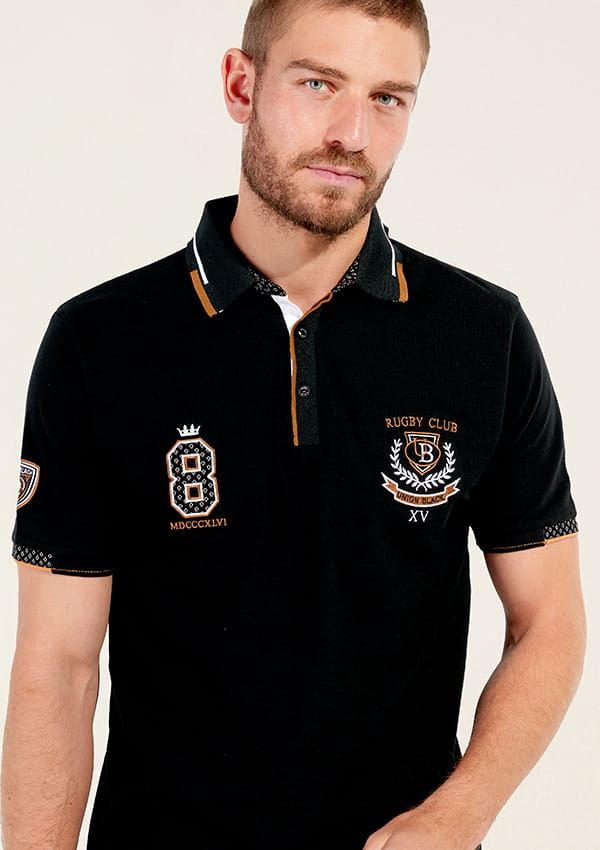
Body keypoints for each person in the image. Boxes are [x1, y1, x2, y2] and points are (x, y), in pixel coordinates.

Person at [1, 1, 586, 848]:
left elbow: (549, 622)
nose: (352, 133)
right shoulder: (102, 341)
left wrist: (459, 813)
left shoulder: (482, 335)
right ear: (241, 86)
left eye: (388, 98)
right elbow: (57, 667)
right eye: (318, 84)